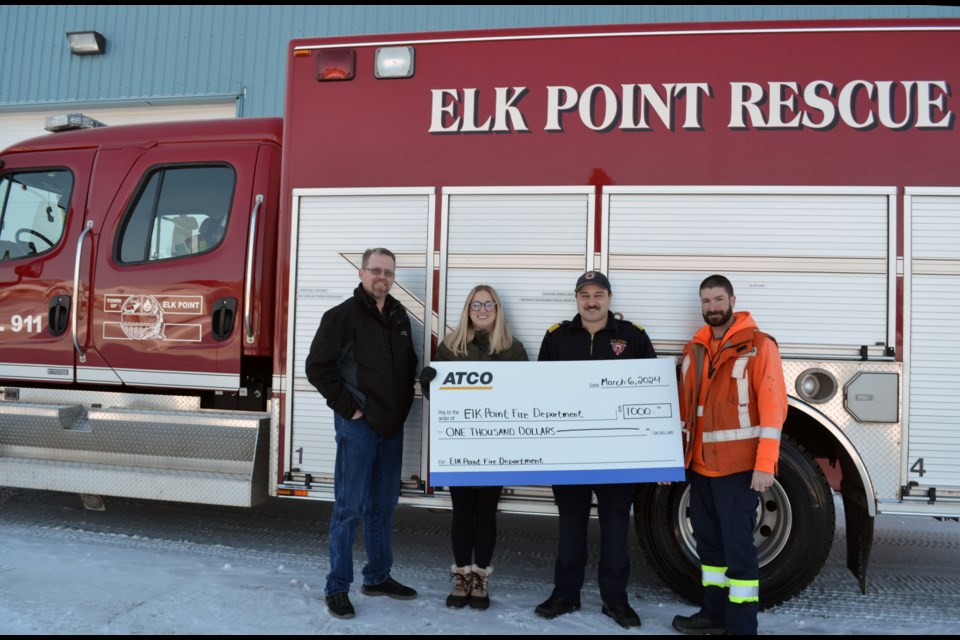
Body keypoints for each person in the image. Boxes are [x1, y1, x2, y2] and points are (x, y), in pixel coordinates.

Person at [533, 271, 656, 629]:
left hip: (618, 454)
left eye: (598, 294)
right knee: (571, 526)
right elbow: (540, 390)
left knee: (616, 528)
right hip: (569, 452)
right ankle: (565, 595)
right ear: (576, 299)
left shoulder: (632, 337)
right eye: (584, 295)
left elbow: (651, 393)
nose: (591, 301)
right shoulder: (557, 337)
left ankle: (616, 600)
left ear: (609, 298)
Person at [305, 247, 419, 620]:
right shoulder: (342, 316)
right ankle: (337, 586)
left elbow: (407, 364)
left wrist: (403, 405)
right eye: (375, 270)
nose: (381, 277)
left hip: (391, 427)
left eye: (387, 272)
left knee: (383, 506)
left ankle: (377, 576)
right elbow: (317, 367)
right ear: (361, 272)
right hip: (359, 426)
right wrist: (350, 409)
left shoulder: (399, 315)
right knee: (348, 507)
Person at [671, 275, 787, 636]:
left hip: (738, 470)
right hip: (701, 469)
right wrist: (673, 461)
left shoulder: (758, 345)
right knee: (711, 552)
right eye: (706, 301)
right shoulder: (695, 349)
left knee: (738, 552)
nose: (712, 307)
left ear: (732, 300)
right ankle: (713, 614)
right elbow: (683, 410)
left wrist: (765, 465)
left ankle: (740, 626)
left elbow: (773, 408)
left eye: (718, 299)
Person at [421, 285, 528, 611]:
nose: (482, 310)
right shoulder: (451, 348)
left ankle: (481, 576)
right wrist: (428, 383)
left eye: (489, 304)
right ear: (467, 309)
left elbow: (527, 395)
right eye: (476, 304)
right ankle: (461, 575)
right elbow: (437, 396)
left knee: (486, 514)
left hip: (495, 448)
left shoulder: (512, 349)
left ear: (498, 309)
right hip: (459, 447)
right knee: (462, 513)